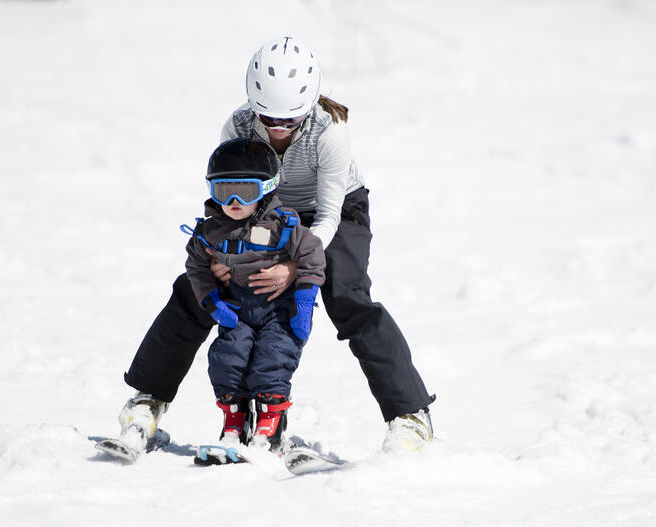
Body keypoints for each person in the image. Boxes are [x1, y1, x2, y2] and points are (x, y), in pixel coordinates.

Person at [117, 36, 435, 454]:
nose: (279, 127)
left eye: (290, 119)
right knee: (198, 291)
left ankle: (409, 416)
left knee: (346, 294)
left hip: (333, 211)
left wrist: (294, 267)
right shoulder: (237, 126)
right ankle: (148, 401)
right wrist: (219, 255)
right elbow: (229, 195)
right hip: (260, 208)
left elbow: (327, 215)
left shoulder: (330, 131)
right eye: (269, 118)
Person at [183, 137, 325, 451]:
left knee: (272, 361)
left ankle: (269, 425)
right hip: (237, 311)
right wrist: (211, 299)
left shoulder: (282, 226)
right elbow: (195, 264)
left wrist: (304, 299)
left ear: (266, 189)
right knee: (226, 360)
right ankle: (235, 419)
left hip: (278, 312)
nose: (233, 200)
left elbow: (313, 253)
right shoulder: (210, 232)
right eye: (223, 191)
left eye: (245, 191)